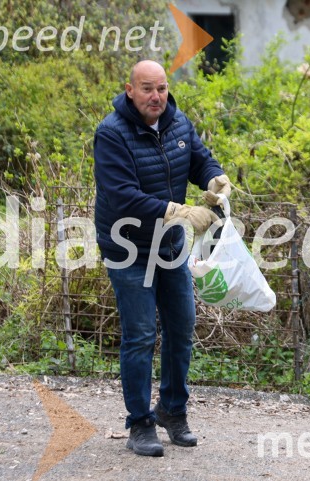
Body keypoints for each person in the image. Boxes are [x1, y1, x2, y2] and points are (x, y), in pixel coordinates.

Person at [93, 60, 233, 457]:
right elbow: (121, 196)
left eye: (162, 88)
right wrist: (182, 212)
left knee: (182, 326)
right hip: (128, 248)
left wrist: (213, 179)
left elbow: (199, 160)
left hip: (170, 246)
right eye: (148, 89)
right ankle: (139, 423)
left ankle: (172, 411)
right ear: (130, 90)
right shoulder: (111, 134)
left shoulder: (177, 123)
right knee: (139, 334)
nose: (157, 96)